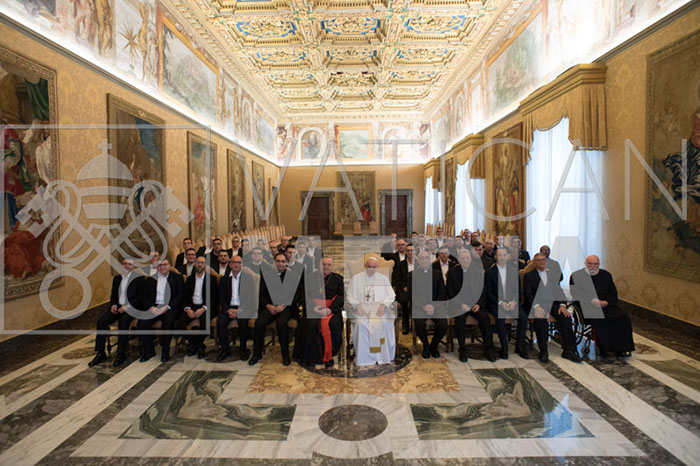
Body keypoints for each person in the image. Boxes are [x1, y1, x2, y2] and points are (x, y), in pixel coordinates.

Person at [570, 255, 635, 357]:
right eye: (590, 264)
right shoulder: (576, 276)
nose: (593, 266)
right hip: (586, 306)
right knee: (600, 318)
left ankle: (622, 348)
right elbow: (576, 293)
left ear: (599, 264)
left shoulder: (606, 275)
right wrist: (592, 301)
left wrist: (607, 302)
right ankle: (605, 349)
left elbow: (612, 292)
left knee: (623, 316)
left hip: (605, 305)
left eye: (595, 264)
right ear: (585, 264)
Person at [523, 253, 581, 363]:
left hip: (552, 304)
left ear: (546, 262)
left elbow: (559, 291)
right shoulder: (529, 276)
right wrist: (536, 306)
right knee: (540, 319)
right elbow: (528, 294)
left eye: (543, 260)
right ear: (534, 262)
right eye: (538, 260)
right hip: (537, 304)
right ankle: (543, 351)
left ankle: (568, 350)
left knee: (566, 317)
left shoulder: (552, 275)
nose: (541, 262)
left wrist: (562, 305)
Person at [249, 253, 303, 366]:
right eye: (278, 261)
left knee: (281, 324)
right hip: (270, 307)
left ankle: (285, 354)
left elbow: (296, 295)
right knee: (259, 323)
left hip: (286, 308)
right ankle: (257, 354)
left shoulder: (293, 276)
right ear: (274, 262)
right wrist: (268, 305)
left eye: (283, 261)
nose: (280, 264)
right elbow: (261, 294)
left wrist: (283, 305)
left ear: (286, 263)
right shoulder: (266, 275)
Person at [90, 258, 142, 367]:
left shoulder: (139, 279)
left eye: (129, 264)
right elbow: (113, 295)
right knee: (101, 322)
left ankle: (121, 353)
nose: (127, 266)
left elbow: (139, 297)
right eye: (124, 264)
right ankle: (100, 352)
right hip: (118, 307)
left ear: (133, 266)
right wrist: (113, 305)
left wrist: (127, 307)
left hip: (132, 308)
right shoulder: (117, 278)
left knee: (123, 322)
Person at [293, 257, 344, 367]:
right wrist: (313, 308)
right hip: (313, 308)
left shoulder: (338, 279)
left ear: (332, 266)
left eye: (329, 264)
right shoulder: (310, 278)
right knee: (311, 325)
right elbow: (304, 295)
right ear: (319, 265)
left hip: (331, 310)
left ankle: (330, 355)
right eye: (323, 264)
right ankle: (311, 357)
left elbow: (342, 296)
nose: (326, 266)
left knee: (334, 324)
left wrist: (330, 309)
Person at [447, 249, 495, 362]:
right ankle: (462, 348)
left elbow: (483, 291)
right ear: (459, 260)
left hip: (475, 304)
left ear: (470, 259)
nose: (465, 260)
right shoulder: (452, 273)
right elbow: (450, 292)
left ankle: (488, 347)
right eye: (462, 258)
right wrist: (461, 304)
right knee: (459, 319)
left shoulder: (478, 272)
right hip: (460, 305)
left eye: (467, 258)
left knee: (484, 318)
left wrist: (479, 304)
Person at [346, 257, 396, 366]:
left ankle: (381, 356)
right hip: (361, 309)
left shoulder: (383, 279)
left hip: (378, 309)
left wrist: (383, 304)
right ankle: (364, 357)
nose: (371, 269)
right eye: (369, 266)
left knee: (383, 323)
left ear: (377, 267)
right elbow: (350, 295)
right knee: (361, 324)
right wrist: (357, 305)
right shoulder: (356, 279)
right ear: (365, 266)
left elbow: (391, 295)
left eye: (374, 267)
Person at [484, 248, 529, 360]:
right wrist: (500, 302)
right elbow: (488, 292)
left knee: (523, 317)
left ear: (507, 257)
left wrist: (514, 301)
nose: (502, 257)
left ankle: (520, 346)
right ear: (495, 257)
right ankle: (504, 347)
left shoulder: (513, 271)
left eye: (504, 255)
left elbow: (517, 290)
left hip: (511, 303)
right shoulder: (489, 272)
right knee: (500, 317)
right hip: (496, 303)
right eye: (500, 255)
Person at [138, 259, 184, 363]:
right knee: (142, 324)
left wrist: (168, 307)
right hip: (154, 307)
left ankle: (165, 352)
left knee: (168, 324)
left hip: (170, 307)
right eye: (160, 265)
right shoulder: (150, 279)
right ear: (156, 267)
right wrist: (151, 307)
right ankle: (149, 351)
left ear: (169, 266)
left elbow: (180, 296)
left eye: (165, 265)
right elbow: (144, 297)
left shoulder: (177, 278)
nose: (162, 267)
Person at [217, 255, 258, 361]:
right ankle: (225, 350)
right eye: (234, 262)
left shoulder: (248, 278)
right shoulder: (224, 279)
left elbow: (250, 297)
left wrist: (239, 310)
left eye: (239, 263)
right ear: (230, 264)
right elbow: (221, 297)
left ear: (242, 265)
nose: (236, 265)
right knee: (220, 323)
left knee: (243, 323)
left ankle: (243, 350)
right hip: (228, 308)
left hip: (243, 307)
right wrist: (228, 310)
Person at [178, 256, 218, 359]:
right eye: (198, 262)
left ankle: (195, 346)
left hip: (206, 307)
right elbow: (185, 297)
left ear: (205, 265)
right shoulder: (189, 279)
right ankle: (198, 345)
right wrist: (188, 309)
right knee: (180, 325)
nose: (200, 264)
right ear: (195, 264)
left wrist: (204, 308)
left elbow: (214, 298)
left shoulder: (212, 279)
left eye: (202, 263)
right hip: (192, 307)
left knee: (205, 325)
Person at [410, 251, 447, 359]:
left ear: (430, 260)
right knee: (419, 323)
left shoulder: (437, 273)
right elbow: (412, 295)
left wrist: (433, 306)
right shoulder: (412, 274)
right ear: (418, 260)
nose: (424, 260)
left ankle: (434, 345)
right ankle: (426, 345)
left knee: (443, 323)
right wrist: (423, 306)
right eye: (422, 258)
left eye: (426, 258)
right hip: (420, 306)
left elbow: (442, 294)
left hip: (435, 306)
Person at [393, 244, 415, 334]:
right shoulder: (400, 264)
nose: (410, 252)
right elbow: (397, 279)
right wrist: (404, 287)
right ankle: (406, 324)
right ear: (405, 252)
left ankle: (416, 324)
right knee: (405, 302)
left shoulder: (419, 263)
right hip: (404, 289)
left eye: (412, 250)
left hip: (417, 289)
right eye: (408, 250)